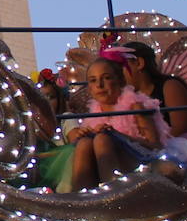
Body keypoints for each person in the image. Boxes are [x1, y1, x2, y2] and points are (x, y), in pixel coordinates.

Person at [67, 57, 166, 189]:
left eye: (106, 78)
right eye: (93, 80)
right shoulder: (91, 116)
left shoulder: (135, 106)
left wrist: (118, 136)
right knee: (84, 143)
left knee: (102, 139)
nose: (99, 85)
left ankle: (112, 195)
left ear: (119, 81)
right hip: (102, 168)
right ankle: (80, 201)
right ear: (89, 88)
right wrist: (84, 135)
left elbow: (156, 147)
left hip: (140, 164)